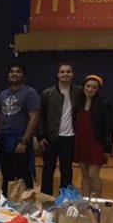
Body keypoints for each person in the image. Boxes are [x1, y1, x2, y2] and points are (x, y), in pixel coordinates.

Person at [0, 62, 41, 192]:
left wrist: (24, 141)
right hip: (4, 140)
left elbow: (34, 118)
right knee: (6, 176)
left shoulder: (30, 93)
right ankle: (6, 207)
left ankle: (26, 208)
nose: (14, 73)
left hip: (20, 139)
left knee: (23, 176)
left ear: (24, 76)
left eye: (18, 72)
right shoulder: (2, 94)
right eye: (11, 71)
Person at [39, 62, 82, 195]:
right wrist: (40, 136)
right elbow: (41, 117)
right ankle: (45, 197)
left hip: (69, 138)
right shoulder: (47, 93)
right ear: (58, 74)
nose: (65, 74)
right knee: (48, 169)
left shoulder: (79, 92)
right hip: (51, 138)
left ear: (72, 74)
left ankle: (65, 198)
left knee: (67, 170)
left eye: (68, 71)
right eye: (62, 72)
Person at [74, 75, 113, 197]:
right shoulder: (78, 103)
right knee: (85, 175)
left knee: (93, 174)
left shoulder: (104, 104)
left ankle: (97, 203)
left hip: (96, 144)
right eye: (88, 86)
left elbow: (109, 127)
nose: (90, 89)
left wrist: (108, 147)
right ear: (84, 86)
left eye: (94, 87)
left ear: (98, 89)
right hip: (81, 143)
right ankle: (86, 201)